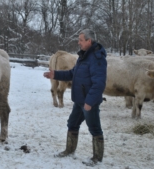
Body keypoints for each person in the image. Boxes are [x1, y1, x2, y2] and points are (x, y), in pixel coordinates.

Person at [43, 29, 107, 166]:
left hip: (89, 102)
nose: (78, 43)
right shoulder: (83, 56)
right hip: (79, 100)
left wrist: (90, 102)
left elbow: (99, 83)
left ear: (89, 41)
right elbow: (73, 74)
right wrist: (56, 75)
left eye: (81, 40)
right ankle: (69, 150)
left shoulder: (97, 58)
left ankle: (97, 158)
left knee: (94, 128)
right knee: (72, 124)